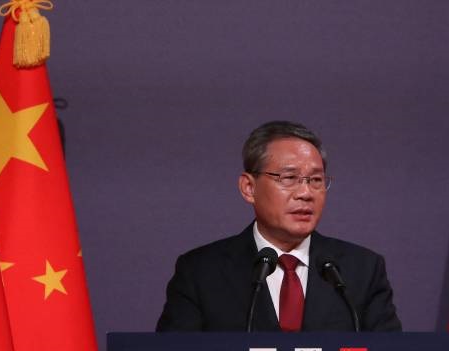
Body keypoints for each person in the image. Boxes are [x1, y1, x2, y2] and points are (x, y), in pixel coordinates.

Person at [156, 120, 401, 332]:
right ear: (249, 188)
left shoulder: (361, 270)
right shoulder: (200, 272)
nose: (305, 193)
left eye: (316, 180)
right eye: (288, 178)